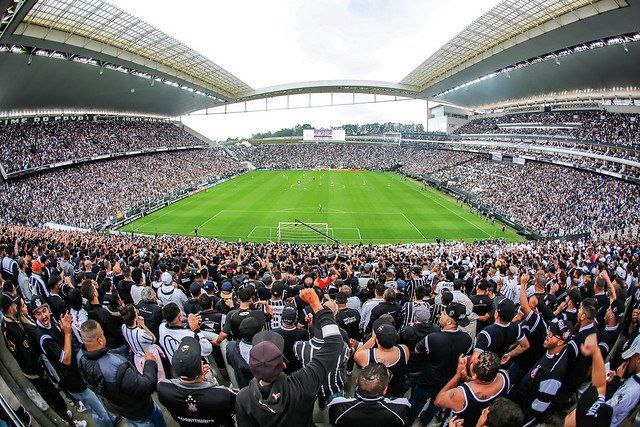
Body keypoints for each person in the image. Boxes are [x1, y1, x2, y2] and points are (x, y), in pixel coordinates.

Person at [235, 288, 343, 426]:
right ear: (283, 365)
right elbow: (334, 343)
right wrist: (316, 304)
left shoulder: (244, 398)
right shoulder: (303, 382)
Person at [1, 294, 84, 426]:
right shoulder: (17, 328)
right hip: (36, 371)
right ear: (11, 309)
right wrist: (41, 369)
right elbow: (28, 353)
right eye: (18, 305)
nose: (20, 307)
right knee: (55, 397)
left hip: (32, 368)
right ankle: (71, 422)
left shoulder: (5, 323)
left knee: (55, 395)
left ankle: (66, 413)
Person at [31, 297, 113, 427]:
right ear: (34, 315)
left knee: (97, 400)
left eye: (44, 310)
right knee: (98, 410)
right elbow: (66, 359)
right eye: (38, 313)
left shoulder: (51, 321)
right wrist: (67, 333)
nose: (43, 316)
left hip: (77, 371)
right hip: (71, 379)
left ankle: (111, 419)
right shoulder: (42, 336)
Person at [78, 320, 166, 427]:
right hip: (140, 411)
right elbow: (146, 387)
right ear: (100, 340)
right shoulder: (117, 366)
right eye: (102, 333)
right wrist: (150, 362)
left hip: (121, 408)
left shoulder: (80, 358)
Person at [410, 302, 473, 424]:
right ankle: (425, 420)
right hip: (448, 381)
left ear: (449, 321)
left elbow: (417, 350)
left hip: (428, 379)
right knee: (436, 403)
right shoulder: (467, 339)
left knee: (417, 402)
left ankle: (409, 420)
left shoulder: (433, 338)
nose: (440, 315)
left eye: (443, 313)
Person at [157, 337, 237, 426]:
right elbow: (238, 406)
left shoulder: (162, 388)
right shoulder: (223, 394)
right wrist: (209, 382)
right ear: (202, 369)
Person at [508, 319, 572, 425]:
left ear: (560, 342)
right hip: (518, 399)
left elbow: (538, 407)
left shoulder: (553, 374)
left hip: (520, 414)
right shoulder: (551, 350)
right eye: (549, 331)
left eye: (552, 335)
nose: (548, 335)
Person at [435, 351, 510, 427]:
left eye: (472, 364)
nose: (474, 359)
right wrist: (466, 378)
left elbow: (438, 401)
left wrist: (457, 375)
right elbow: (484, 383)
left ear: (474, 376)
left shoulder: (461, 394)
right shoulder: (504, 376)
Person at [328, 363, 411, 426]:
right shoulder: (401, 408)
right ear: (385, 390)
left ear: (357, 382)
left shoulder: (339, 406)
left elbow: (333, 422)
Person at [564, 333, 613, 427]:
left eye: (578, 413)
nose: (574, 411)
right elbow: (600, 386)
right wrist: (595, 352)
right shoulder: (597, 409)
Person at [354, 321, 409, 398]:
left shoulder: (367, 355)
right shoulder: (404, 350)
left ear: (377, 341)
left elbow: (356, 354)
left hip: (372, 393)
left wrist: (373, 338)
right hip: (394, 392)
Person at [474, 296, 529, 362]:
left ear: (496, 314)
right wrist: (510, 354)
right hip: (497, 363)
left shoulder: (486, 333)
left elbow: (474, 360)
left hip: (484, 366)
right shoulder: (517, 328)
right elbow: (525, 345)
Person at [120, 304, 166, 380]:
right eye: (136, 311)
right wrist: (143, 325)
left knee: (145, 378)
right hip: (149, 356)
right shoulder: (140, 333)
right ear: (135, 317)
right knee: (158, 377)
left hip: (137, 357)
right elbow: (153, 339)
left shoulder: (124, 327)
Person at [272, 304, 309, 374]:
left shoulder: (273, 332)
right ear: (295, 319)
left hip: (281, 370)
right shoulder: (303, 333)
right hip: (298, 370)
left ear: (282, 317)